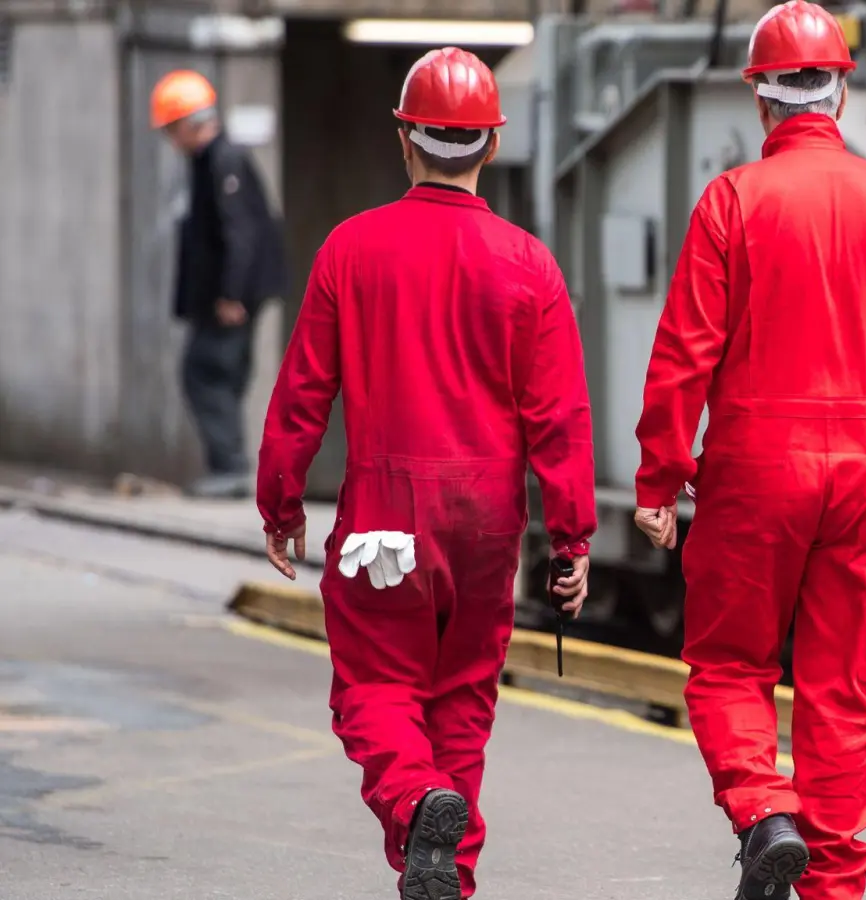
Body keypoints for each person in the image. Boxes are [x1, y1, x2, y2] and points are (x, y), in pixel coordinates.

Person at [631, 3, 866, 898]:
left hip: (756, 472)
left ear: (760, 99)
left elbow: (684, 356)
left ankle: (763, 812)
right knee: (841, 699)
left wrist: (660, 476)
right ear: (841, 93)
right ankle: (832, 887)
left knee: (730, 667)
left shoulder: (733, 201)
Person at [255, 47, 596, 900]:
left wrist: (282, 503)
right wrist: (572, 537)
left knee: (374, 689)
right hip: (487, 518)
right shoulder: (530, 266)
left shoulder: (351, 249)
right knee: (463, 704)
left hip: (383, 512)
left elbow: (304, 390)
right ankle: (447, 873)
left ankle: (416, 803)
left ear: (405, 136)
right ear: (489, 146)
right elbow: (560, 417)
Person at [150, 70, 288, 499]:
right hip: (225, 294)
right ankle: (229, 466)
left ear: (190, 123)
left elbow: (240, 233)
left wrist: (231, 294)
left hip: (230, 297)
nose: (171, 139)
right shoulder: (209, 162)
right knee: (221, 373)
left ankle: (231, 468)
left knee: (205, 372)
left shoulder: (222, 161)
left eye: (172, 129)